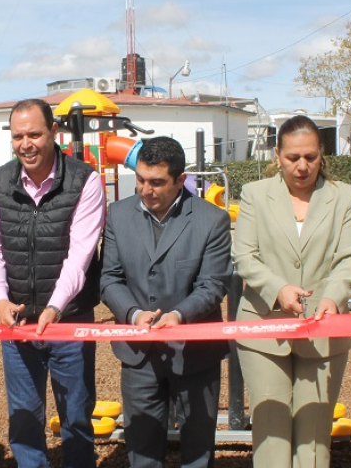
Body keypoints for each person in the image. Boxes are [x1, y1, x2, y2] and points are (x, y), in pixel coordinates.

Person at [0, 98, 105, 468]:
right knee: (24, 420)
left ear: (54, 133)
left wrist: (55, 307)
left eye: (34, 134)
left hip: (69, 322)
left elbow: (80, 254)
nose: (26, 144)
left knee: (77, 419)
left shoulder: (84, 181)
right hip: (18, 326)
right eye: (18, 136)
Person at [232, 115, 351, 468]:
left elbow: (350, 259)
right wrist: (278, 289)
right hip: (263, 326)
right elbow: (244, 255)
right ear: (277, 155)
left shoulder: (345, 197)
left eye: (310, 157)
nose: (302, 166)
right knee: (271, 433)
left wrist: (331, 299)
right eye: (293, 158)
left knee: (314, 437)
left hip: (325, 328)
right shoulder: (255, 194)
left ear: (323, 154)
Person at [100, 136, 230, 468]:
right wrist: (132, 313)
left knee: (198, 453)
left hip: (195, 355)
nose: (146, 189)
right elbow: (110, 278)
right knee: (141, 453)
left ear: (180, 180)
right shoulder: (117, 215)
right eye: (141, 179)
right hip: (139, 356)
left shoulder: (211, 220)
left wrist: (179, 315)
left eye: (157, 182)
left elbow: (213, 284)